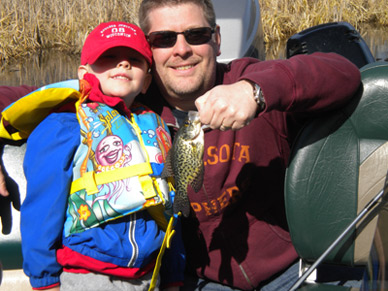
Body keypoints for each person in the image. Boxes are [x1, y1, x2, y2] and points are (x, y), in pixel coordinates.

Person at [0, 0, 362, 290]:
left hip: (287, 273)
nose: (182, 49)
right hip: (193, 278)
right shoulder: (124, 102)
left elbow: (343, 73)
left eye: (196, 34)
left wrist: (256, 91)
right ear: (148, 49)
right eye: (163, 39)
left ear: (217, 38)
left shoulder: (251, 81)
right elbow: (15, 103)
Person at [1, 21, 184, 291]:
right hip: (87, 274)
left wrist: (174, 275)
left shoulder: (157, 128)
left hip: (150, 273)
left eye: (134, 60)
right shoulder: (64, 124)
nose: (123, 64)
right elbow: (42, 207)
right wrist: (44, 279)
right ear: (85, 73)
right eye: (109, 58)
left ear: (146, 80)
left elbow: (170, 204)